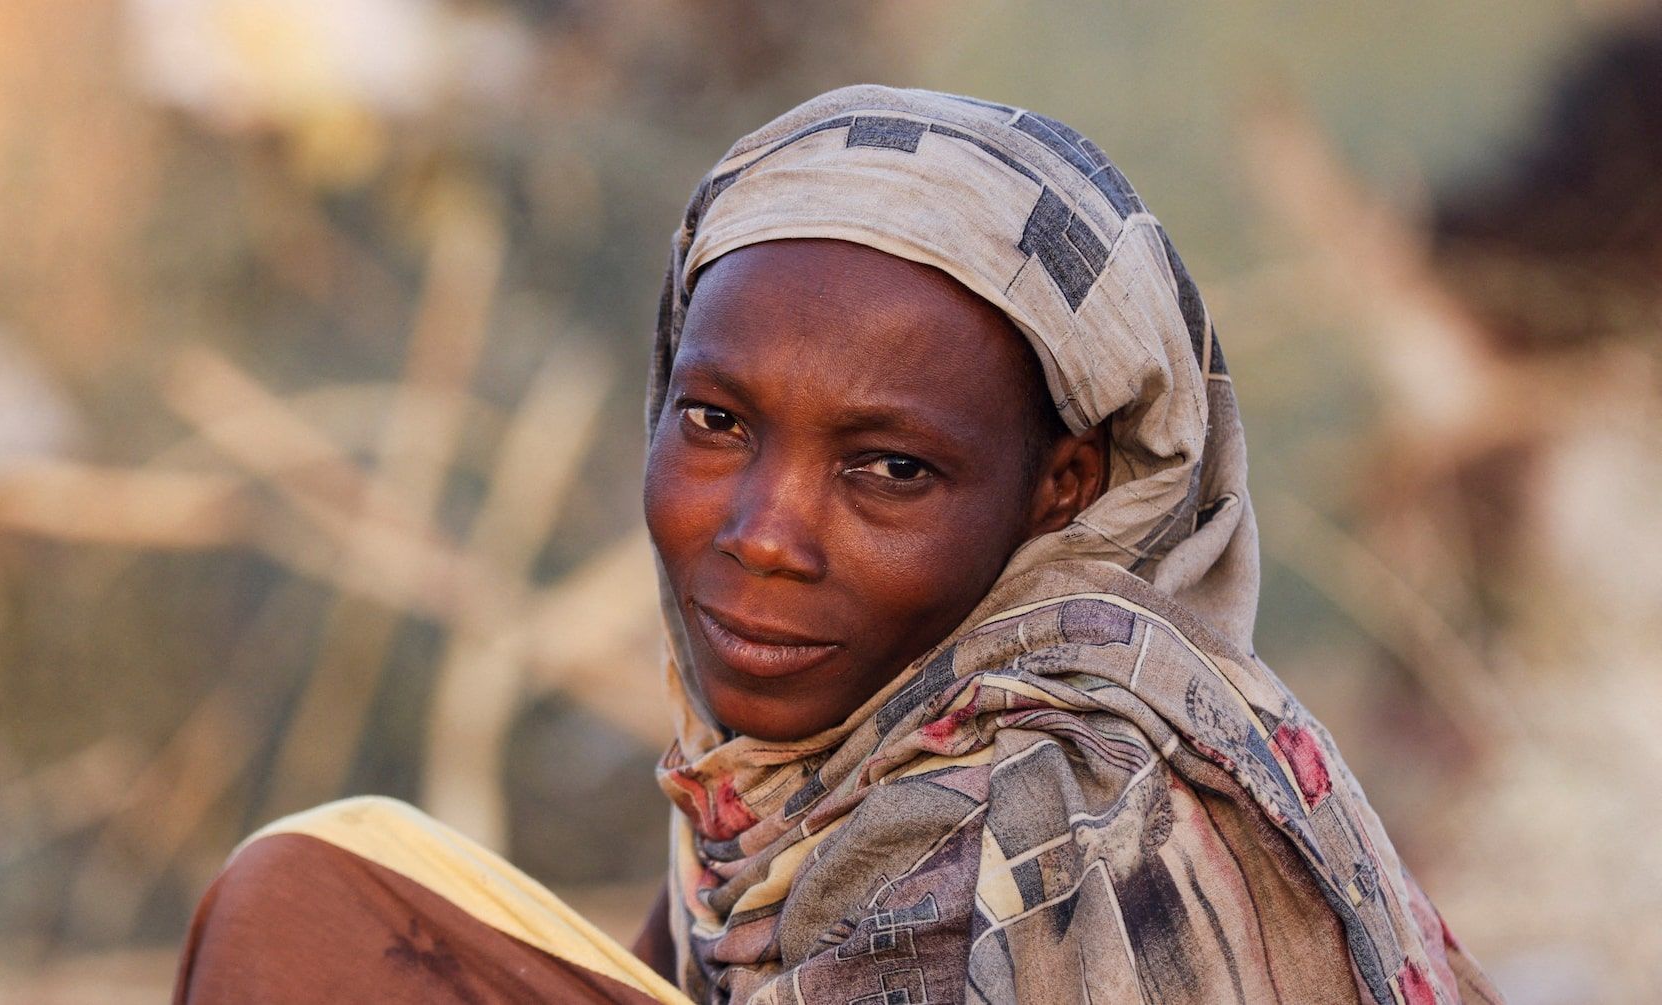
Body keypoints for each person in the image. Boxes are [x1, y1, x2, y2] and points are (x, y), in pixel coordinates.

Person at [176, 85, 1501, 1004]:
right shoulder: (828, 753)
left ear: (1064, 488)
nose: (762, 534)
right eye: (714, 419)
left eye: (891, 468)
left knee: (312, 918)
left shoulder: (1018, 822)